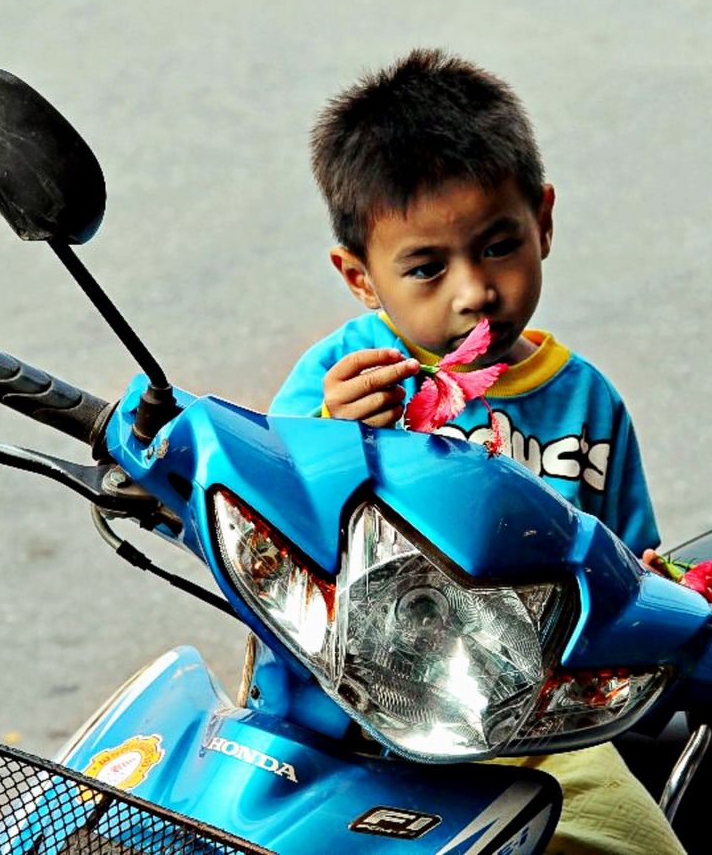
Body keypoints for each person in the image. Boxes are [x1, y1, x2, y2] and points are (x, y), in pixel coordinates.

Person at [269, 49, 684, 854]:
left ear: (545, 221)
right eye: (425, 267)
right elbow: (270, 516)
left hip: (535, 731)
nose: (474, 291)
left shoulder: (586, 401)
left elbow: (632, 567)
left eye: (498, 246)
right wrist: (331, 433)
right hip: (347, 718)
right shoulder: (340, 381)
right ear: (359, 277)